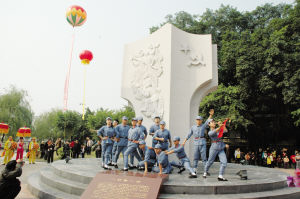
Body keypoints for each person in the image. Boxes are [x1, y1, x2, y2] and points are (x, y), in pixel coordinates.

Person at [182, 109, 214, 173]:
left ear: (201, 120)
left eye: (200, 120)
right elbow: (189, 134)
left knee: (204, 157)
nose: (198, 121)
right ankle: (195, 169)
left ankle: (206, 170)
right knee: (195, 157)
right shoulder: (193, 127)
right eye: (197, 120)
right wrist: (184, 142)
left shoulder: (203, 126)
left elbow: (207, 121)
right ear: (196, 120)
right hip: (196, 143)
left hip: (202, 142)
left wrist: (210, 115)